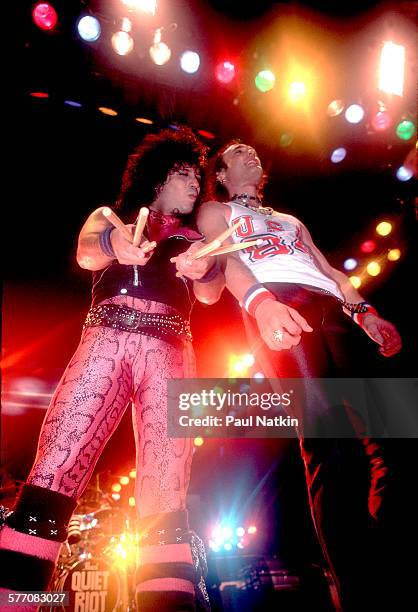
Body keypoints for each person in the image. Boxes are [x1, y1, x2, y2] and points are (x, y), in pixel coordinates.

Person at [0, 127, 214, 612]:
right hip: (108, 337)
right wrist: (119, 246)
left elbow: (209, 294)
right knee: (56, 473)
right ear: (159, 177)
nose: (195, 185)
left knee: (166, 494)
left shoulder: (199, 239)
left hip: (174, 350)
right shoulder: (112, 215)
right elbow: (87, 249)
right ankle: (16, 604)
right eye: (185, 175)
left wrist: (207, 272)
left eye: (198, 179)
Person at [194, 140, 405, 610]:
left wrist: (364, 313)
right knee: (331, 449)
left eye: (253, 151)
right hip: (279, 304)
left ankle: (392, 571)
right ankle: (361, 594)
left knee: (392, 440)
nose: (250, 154)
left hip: (332, 309)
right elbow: (228, 264)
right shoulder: (215, 210)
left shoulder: (290, 219)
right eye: (237, 153)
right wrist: (262, 304)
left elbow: (330, 269)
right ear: (223, 174)